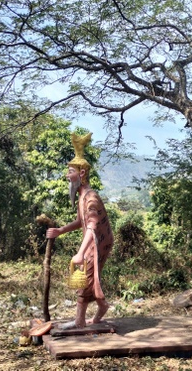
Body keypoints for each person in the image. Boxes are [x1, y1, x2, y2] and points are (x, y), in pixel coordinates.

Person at [46, 133, 114, 329]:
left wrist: (80, 253)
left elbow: (92, 226)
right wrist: (60, 230)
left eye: (70, 172)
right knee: (90, 277)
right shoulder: (82, 198)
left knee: (86, 276)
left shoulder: (91, 198)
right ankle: (102, 307)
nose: (67, 176)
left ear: (81, 174)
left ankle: (79, 321)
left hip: (99, 241)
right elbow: (80, 221)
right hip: (92, 240)